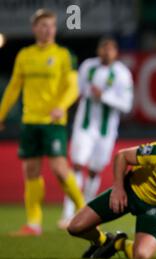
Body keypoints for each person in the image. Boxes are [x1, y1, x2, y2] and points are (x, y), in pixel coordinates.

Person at [0, 9, 84, 236]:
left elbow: (73, 87)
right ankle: (34, 223)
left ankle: (84, 210)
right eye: (42, 26)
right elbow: (13, 88)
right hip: (30, 121)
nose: (47, 30)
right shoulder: (24, 55)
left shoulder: (64, 55)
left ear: (55, 29)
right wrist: (1, 114)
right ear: (35, 28)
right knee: (31, 171)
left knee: (59, 168)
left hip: (53, 122)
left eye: (50, 26)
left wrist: (62, 106)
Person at [59, 37, 134, 229]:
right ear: (98, 50)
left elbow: (126, 105)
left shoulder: (122, 74)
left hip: (106, 131)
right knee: (77, 165)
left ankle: (84, 211)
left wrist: (105, 96)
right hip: (84, 126)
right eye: (103, 48)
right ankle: (68, 213)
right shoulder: (87, 67)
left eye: (110, 49)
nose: (106, 52)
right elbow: (78, 90)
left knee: (94, 170)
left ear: (116, 52)